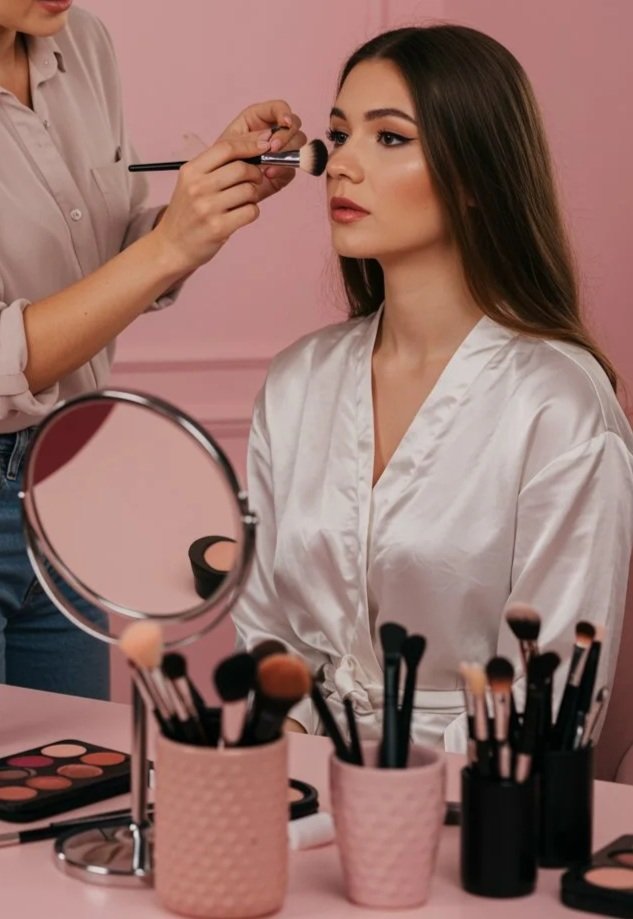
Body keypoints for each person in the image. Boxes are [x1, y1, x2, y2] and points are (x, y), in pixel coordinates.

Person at [231, 25, 633, 752]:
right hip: (305, 779)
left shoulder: (555, 404)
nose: (341, 164)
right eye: (337, 133)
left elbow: (557, 688)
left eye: (389, 139)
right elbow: (268, 632)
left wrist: (404, 804)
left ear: (477, 177)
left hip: (480, 803)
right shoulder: (297, 381)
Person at [0, 0, 305, 699]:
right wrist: (169, 246)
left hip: (65, 478)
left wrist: (209, 201)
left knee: (71, 773)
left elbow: (113, 260)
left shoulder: (80, 41)